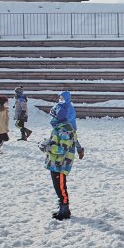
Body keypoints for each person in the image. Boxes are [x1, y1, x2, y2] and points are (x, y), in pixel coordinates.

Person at [41, 91, 83, 220]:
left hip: (60, 163)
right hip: (55, 162)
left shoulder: (64, 129)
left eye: (53, 115)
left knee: (61, 187)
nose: (51, 118)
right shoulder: (60, 127)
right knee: (58, 186)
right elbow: (72, 140)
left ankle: (65, 209)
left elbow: (62, 149)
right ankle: (62, 207)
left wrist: (47, 147)